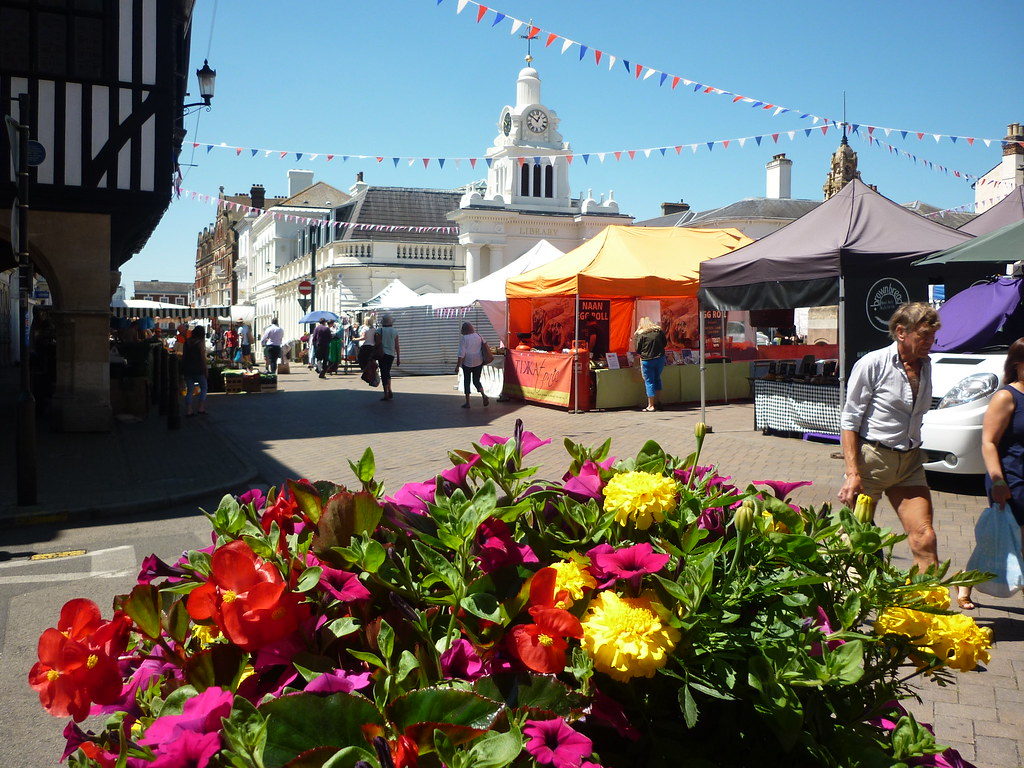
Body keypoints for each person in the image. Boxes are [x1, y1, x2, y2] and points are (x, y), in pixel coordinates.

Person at [838, 301, 941, 573]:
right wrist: (852, 473)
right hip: (872, 461)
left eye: (932, 335)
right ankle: (847, 611)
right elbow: (850, 420)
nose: (929, 341)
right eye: (923, 335)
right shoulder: (872, 363)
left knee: (924, 537)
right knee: (855, 544)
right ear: (900, 332)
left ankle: (926, 606)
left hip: (909, 463)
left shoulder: (926, 365)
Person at [958, 338, 1024, 611]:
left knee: (1004, 539)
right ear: (1019, 365)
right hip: (1010, 477)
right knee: (1007, 537)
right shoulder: (1006, 397)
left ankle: (964, 582)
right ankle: (966, 582)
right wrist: (997, 480)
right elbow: (988, 442)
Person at [634, 316, 667, 412]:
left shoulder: (640, 334)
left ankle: (651, 405)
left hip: (647, 360)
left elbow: (637, 349)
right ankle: (658, 401)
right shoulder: (659, 331)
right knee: (657, 378)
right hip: (660, 358)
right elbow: (664, 343)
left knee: (649, 381)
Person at [456, 321, 488, 408]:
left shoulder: (464, 338)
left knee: (467, 381)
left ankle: (467, 402)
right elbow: (485, 345)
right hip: (479, 361)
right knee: (476, 380)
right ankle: (483, 394)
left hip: (467, 363)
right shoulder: (478, 336)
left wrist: (458, 365)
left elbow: (461, 353)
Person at [181, 325, 208, 417]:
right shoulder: (200, 343)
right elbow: (202, 358)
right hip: (198, 368)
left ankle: (189, 410)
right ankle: (201, 408)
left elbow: (184, 356)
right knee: (204, 387)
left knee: (190, 390)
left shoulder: (187, 342)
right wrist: (206, 369)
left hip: (188, 368)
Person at [377, 313, 401, 401]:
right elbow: (397, 345)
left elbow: (377, 343)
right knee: (387, 372)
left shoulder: (379, 330)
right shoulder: (395, 331)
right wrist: (398, 357)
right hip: (391, 354)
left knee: (384, 373)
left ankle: (386, 393)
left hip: (381, 354)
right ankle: (389, 389)